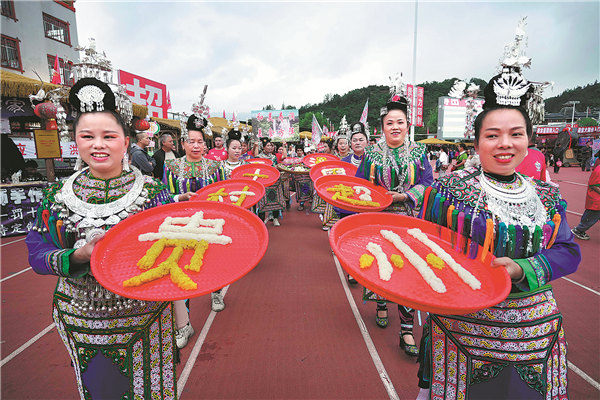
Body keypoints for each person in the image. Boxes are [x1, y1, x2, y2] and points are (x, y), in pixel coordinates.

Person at [415, 68, 581, 400]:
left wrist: (522, 269)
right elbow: (420, 246)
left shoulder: (547, 196)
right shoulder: (447, 190)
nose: (505, 144)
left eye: (515, 134)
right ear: (476, 141)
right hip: (461, 328)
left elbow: (568, 251)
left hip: (533, 334)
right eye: (492, 135)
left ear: (528, 140)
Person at [26, 77, 178, 398]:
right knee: (100, 391)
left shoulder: (152, 192)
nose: (98, 144)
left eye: (109, 136)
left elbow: (172, 248)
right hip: (81, 315)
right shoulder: (56, 195)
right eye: (87, 136)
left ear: (125, 142)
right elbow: (37, 252)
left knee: (151, 391)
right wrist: (78, 256)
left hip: (146, 314)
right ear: (76, 142)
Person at [355, 79, 433, 357]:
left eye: (400, 122)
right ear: (383, 127)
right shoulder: (372, 154)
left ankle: (407, 329)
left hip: (410, 220)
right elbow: (360, 186)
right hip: (379, 220)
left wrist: (406, 196)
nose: (395, 127)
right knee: (381, 264)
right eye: (390, 123)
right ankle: (380, 304)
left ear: (407, 125)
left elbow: (428, 183)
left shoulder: (421, 152)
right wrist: (376, 198)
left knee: (407, 270)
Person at [163, 113, 226, 348]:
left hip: (210, 223)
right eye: (191, 141)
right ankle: (184, 323)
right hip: (181, 224)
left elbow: (223, 194)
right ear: (183, 143)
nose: (196, 146)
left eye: (200, 141)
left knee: (211, 260)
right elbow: (163, 198)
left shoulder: (216, 166)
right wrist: (180, 197)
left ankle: (216, 292)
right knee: (179, 265)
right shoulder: (170, 167)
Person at [256, 137, 285, 226]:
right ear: (263, 147)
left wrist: (277, 168)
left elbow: (276, 166)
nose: (269, 147)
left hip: (274, 181)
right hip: (263, 181)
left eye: (271, 145)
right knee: (262, 201)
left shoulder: (274, 157)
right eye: (268, 145)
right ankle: (261, 220)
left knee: (275, 199)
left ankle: (275, 218)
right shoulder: (259, 157)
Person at [571, 154, 600, 240]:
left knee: (591, 215)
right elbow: (594, 185)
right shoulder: (599, 170)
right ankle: (578, 230)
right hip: (597, 200)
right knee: (591, 216)